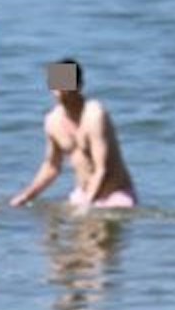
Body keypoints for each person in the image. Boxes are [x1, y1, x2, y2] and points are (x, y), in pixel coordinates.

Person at [8, 59, 139, 210]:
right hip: (82, 194)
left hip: (115, 196)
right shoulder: (52, 121)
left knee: (93, 222)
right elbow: (52, 166)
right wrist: (25, 196)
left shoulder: (94, 115)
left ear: (79, 85)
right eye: (56, 83)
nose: (60, 89)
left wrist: (86, 206)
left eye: (65, 83)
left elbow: (102, 169)